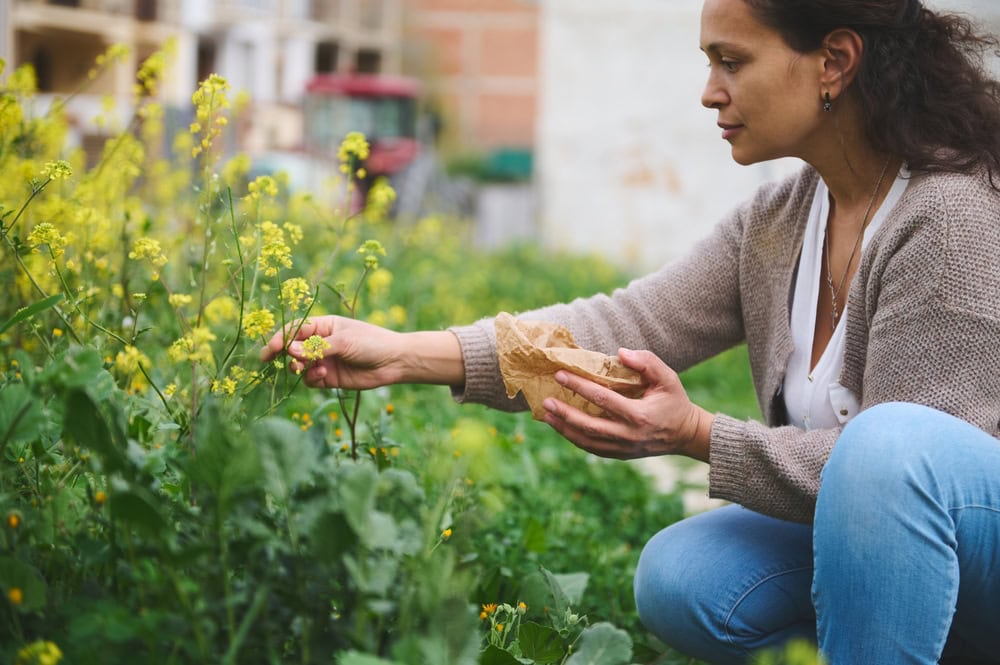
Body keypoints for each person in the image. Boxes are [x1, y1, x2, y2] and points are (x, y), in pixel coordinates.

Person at [262, 0, 1000, 662]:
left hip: (976, 550)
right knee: (687, 576)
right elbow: (621, 324)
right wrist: (402, 355)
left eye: (731, 61)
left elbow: (900, 477)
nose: (710, 90)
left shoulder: (949, 217)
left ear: (834, 60)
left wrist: (697, 435)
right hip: (892, 550)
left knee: (884, 449)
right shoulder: (781, 221)